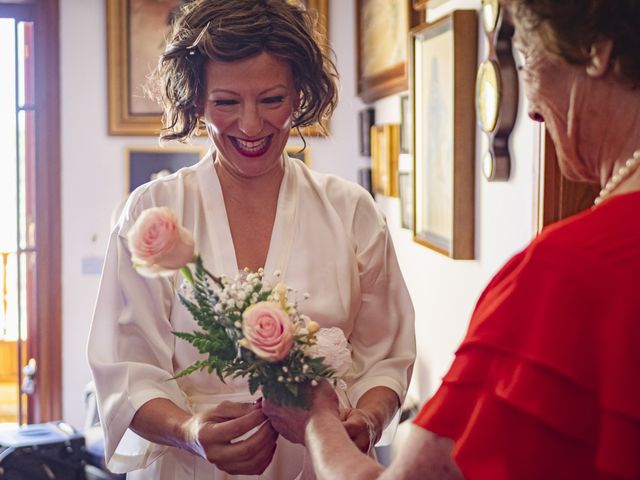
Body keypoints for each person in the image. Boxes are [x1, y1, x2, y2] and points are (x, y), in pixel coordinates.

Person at [262, 1, 640, 479]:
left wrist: (318, 421)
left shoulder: (567, 272)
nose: (534, 109)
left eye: (526, 60)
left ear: (595, 51)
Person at [87, 1, 416, 479]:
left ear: (301, 92)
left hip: (319, 465)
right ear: (195, 100)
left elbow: (386, 358)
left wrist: (363, 423)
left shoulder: (352, 213)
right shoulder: (153, 213)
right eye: (225, 102)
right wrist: (190, 431)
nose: (250, 125)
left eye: (271, 100)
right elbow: (124, 370)